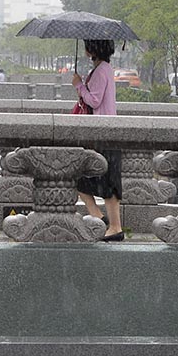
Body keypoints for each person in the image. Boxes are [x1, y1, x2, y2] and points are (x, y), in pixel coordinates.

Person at [71, 38, 123, 241]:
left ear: (93, 48)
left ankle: (115, 227)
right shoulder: (102, 68)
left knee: (108, 181)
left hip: (104, 131)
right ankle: (100, 220)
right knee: (83, 180)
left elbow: (94, 100)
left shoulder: (102, 70)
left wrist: (79, 86)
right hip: (99, 130)